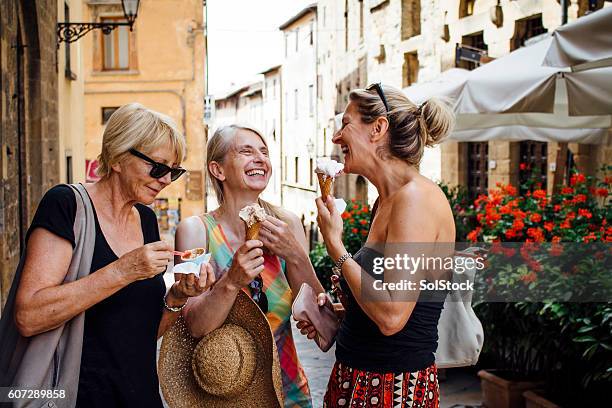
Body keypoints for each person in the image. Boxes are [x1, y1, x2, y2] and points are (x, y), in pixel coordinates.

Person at [13, 103, 215, 407]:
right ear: (119, 157)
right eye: (158, 167)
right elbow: (29, 316)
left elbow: (141, 335)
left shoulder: (146, 219)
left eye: (174, 172)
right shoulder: (65, 205)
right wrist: (123, 271)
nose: (165, 180)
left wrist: (176, 297)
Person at [298, 84, 456, 407]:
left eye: (346, 124)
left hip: (392, 391)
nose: (336, 138)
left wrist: (336, 248)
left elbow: (391, 315)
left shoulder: (416, 199)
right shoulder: (385, 201)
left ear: (378, 128)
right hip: (359, 383)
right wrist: (340, 316)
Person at [175, 124, 325, 408]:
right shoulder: (195, 232)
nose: (260, 158)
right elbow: (192, 328)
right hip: (221, 400)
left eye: (264, 152)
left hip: (289, 395)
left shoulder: (288, 225)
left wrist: (296, 256)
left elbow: (322, 323)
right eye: (246, 151)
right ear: (218, 170)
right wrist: (231, 280)